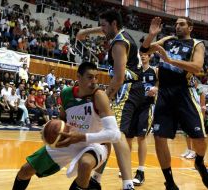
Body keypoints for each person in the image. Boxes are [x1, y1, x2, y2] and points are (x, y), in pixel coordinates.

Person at [12, 61, 121, 190]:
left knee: (85, 164)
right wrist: (51, 129)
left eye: (96, 77)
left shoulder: (99, 96)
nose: (94, 81)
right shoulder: (66, 93)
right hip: (69, 141)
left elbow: (115, 134)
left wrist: (80, 137)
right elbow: (62, 119)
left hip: (95, 144)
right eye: (90, 77)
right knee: (25, 170)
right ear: (78, 77)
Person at [140, 16, 208, 189]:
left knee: (200, 139)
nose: (177, 27)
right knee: (159, 138)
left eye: (181, 24)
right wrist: (151, 35)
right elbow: (144, 51)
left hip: (184, 92)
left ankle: (200, 162)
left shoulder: (197, 44)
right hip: (165, 93)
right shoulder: (167, 40)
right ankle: (170, 181)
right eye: (176, 25)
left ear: (190, 27)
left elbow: (197, 67)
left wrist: (170, 60)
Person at [76, 9, 145, 190]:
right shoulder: (120, 35)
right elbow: (102, 29)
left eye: (104, 26)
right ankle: (96, 179)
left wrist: (104, 98)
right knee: (109, 131)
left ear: (114, 24)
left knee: (117, 134)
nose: (102, 29)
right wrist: (86, 32)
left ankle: (128, 184)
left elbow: (119, 78)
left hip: (128, 88)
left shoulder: (119, 43)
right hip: (131, 89)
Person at [124, 52, 158, 186]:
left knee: (141, 137)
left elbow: (162, 84)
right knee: (128, 138)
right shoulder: (135, 70)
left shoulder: (155, 70)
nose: (143, 56)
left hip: (147, 106)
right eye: (141, 54)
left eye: (146, 55)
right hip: (133, 106)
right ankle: (126, 166)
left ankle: (141, 172)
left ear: (149, 57)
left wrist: (156, 88)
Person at [181, 78, 206, 159]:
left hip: (195, 108)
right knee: (186, 132)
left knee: (194, 132)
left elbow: (202, 93)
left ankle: (195, 152)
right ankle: (189, 149)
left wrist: (203, 106)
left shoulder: (194, 80)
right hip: (185, 108)